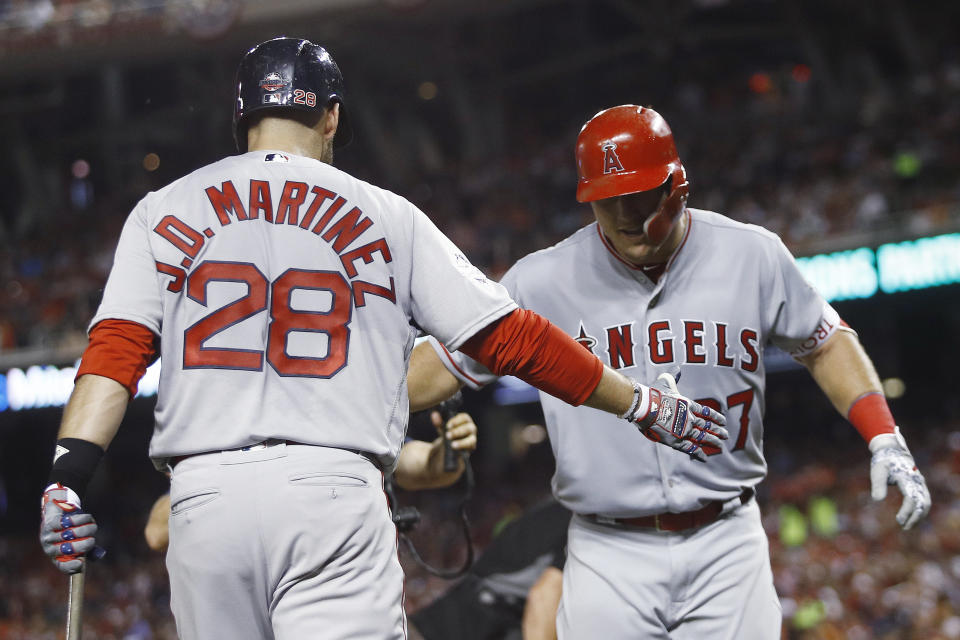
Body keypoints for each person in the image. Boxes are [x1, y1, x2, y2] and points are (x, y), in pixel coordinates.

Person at [37, 39, 727, 640]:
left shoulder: (163, 210)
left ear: (242, 116)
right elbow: (512, 338)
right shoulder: (384, 214)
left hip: (204, 500)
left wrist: (67, 480)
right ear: (332, 115)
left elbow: (114, 356)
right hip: (331, 495)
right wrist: (641, 404)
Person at [408, 104, 932, 639]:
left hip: (726, 539)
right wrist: (345, 387)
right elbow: (442, 366)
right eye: (607, 200)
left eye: (638, 194)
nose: (624, 214)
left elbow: (825, 342)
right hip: (606, 550)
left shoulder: (752, 255)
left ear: (677, 185)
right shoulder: (541, 280)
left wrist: (882, 433)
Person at [145, 409, 481, 552]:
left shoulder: (338, 424)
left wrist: (446, 453)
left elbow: (421, 467)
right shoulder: (233, 445)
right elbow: (157, 532)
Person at [408, 497, 571, 640]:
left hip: (445, 622)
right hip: (450, 630)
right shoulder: (578, 524)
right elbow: (543, 599)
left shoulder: (562, 507)